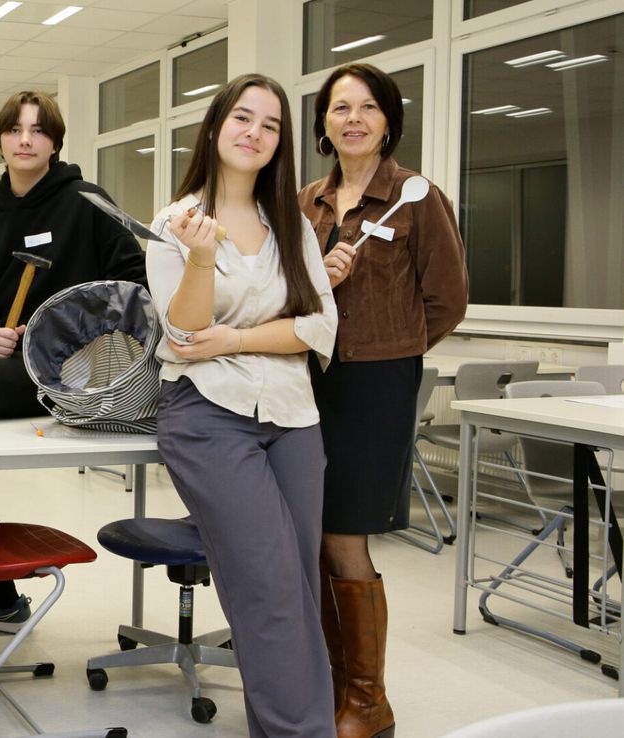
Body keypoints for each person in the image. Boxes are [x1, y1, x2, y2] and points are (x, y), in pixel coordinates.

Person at [146, 74, 338, 737]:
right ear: (214, 126)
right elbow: (182, 335)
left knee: (299, 590)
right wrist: (200, 261)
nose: (255, 132)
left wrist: (234, 338)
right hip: (208, 415)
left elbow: (317, 329)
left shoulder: (292, 227)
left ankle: (281, 728)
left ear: (280, 145)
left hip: (293, 416)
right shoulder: (177, 223)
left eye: (272, 125)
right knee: (269, 585)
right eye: (243, 118)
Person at [0, 90, 146, 631]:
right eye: (16, 129)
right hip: (13, 366)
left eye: (39, 130)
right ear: (0, 139)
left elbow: (133, 285)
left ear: (55, 142)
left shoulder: (88, 202)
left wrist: (71, 329)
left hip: (79, 372)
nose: (26, 139)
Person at [298, 63, 468, 738]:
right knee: (308, 534)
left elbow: (447, 299)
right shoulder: (309, 202)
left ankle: (368, 702)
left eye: (368, 107)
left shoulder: (417, 197)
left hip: (375, 387)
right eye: (341, 108)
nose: (354, 119)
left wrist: (390, 348)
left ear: (389, 120)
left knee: (344, 536)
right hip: (305, 380)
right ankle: (329, 684)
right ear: (324, 123)